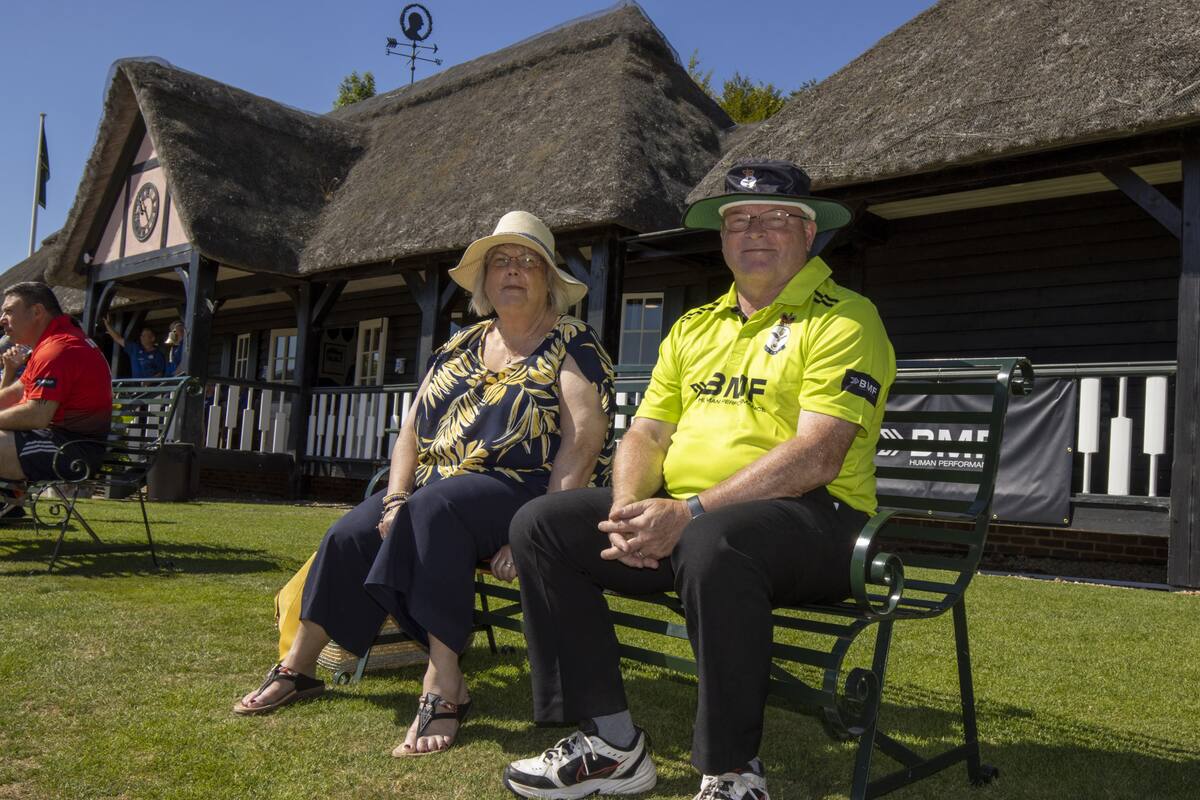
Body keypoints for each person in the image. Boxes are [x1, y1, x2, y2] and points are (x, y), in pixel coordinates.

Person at [503, 161, 896, 800]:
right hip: (691, 519)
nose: (754, 231)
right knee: (541, 524)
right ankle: (610, 744)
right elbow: (647, 433)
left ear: (808, 232)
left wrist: (688, 512)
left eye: (775, 218)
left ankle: (733, 771)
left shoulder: (846, 319)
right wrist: (627, 511)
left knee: (715, 541)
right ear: (722, 239)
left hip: (818, 521)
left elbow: (817, 455)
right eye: (738, 221)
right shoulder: (695, 325)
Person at [234, 211, 618, 759]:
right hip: (437, 488)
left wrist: (538, 529)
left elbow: (582, 442)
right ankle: (299, 666)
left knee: (436, 509)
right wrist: (393, 497)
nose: (512, 270)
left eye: (527, 261)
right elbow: (411, 431)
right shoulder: (459, 344)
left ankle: (444, 679)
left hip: (524, 489)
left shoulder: (572, 341)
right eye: (500, 262)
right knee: (351, 532)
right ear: (485, 280)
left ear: (549, 280)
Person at [0, 282, 113, 483]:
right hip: (57, 440)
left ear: (37, 312)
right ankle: (11, 500)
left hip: (73, 450)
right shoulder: (50, 344)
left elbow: (37, 415)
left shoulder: (58, 348)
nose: (2, 319)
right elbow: (14, 394)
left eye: (8, 311)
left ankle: (12, 498)